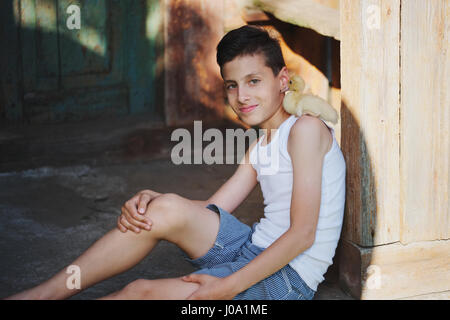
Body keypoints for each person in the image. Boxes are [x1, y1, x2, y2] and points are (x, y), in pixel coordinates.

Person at [6, 25, 346, 300]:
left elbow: (302, 234)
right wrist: (154, 202)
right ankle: (45, 294)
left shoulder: (305, 129)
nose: (241, 97)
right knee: (162, 209)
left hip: (286, 280)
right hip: (251, 249)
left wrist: (227, 287)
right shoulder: (260, 146)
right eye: (232, 85)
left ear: (282, 80)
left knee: (140, 293)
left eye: (253, 81)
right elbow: (214, 209)